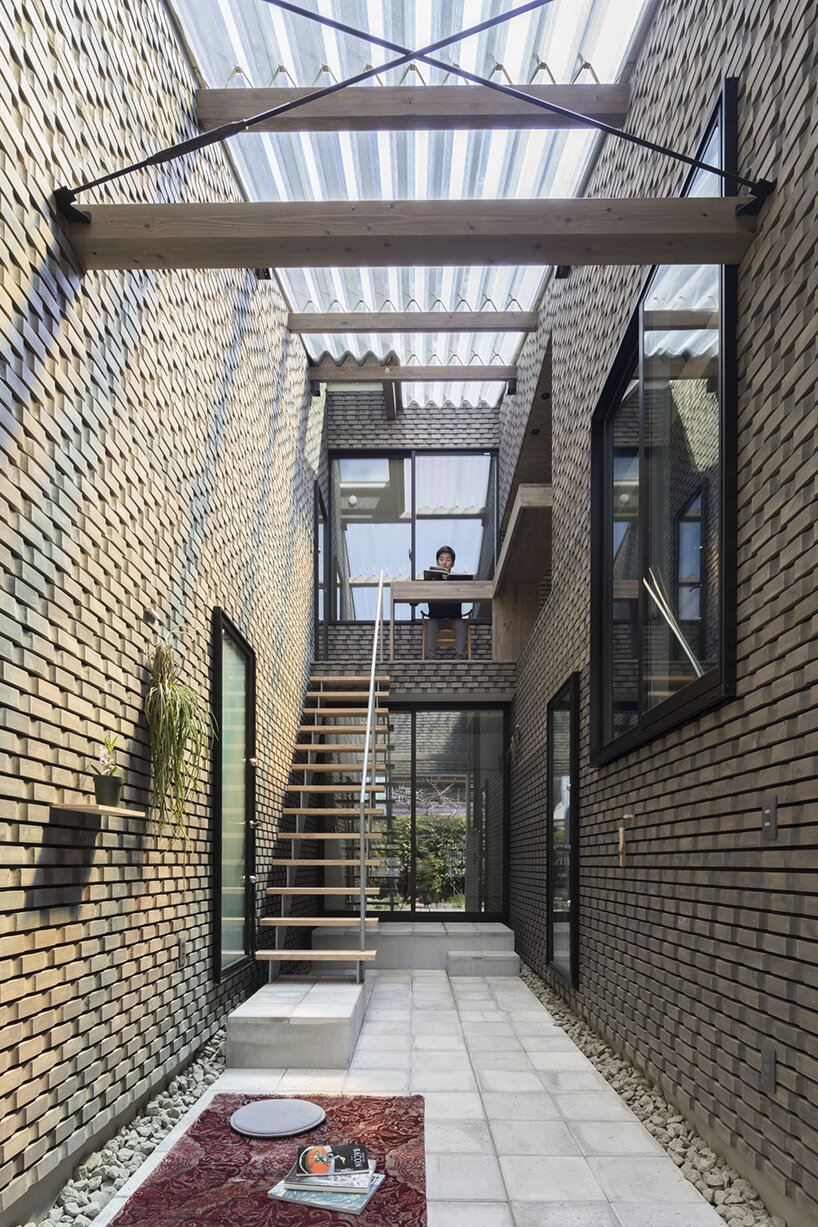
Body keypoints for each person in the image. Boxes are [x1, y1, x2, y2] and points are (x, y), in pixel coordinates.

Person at [425, 545, 468, 659]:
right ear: (437, 562)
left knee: (462, 624)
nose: (444, 562)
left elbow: (469, 594)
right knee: (430, 624)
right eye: (441, 559)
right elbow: (414, 602)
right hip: (436, 620)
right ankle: (430, 658)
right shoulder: (430, 581)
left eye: (448, 560)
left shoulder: (458, 580)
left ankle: (460, 658)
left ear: (453, 563)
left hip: (454, 620)